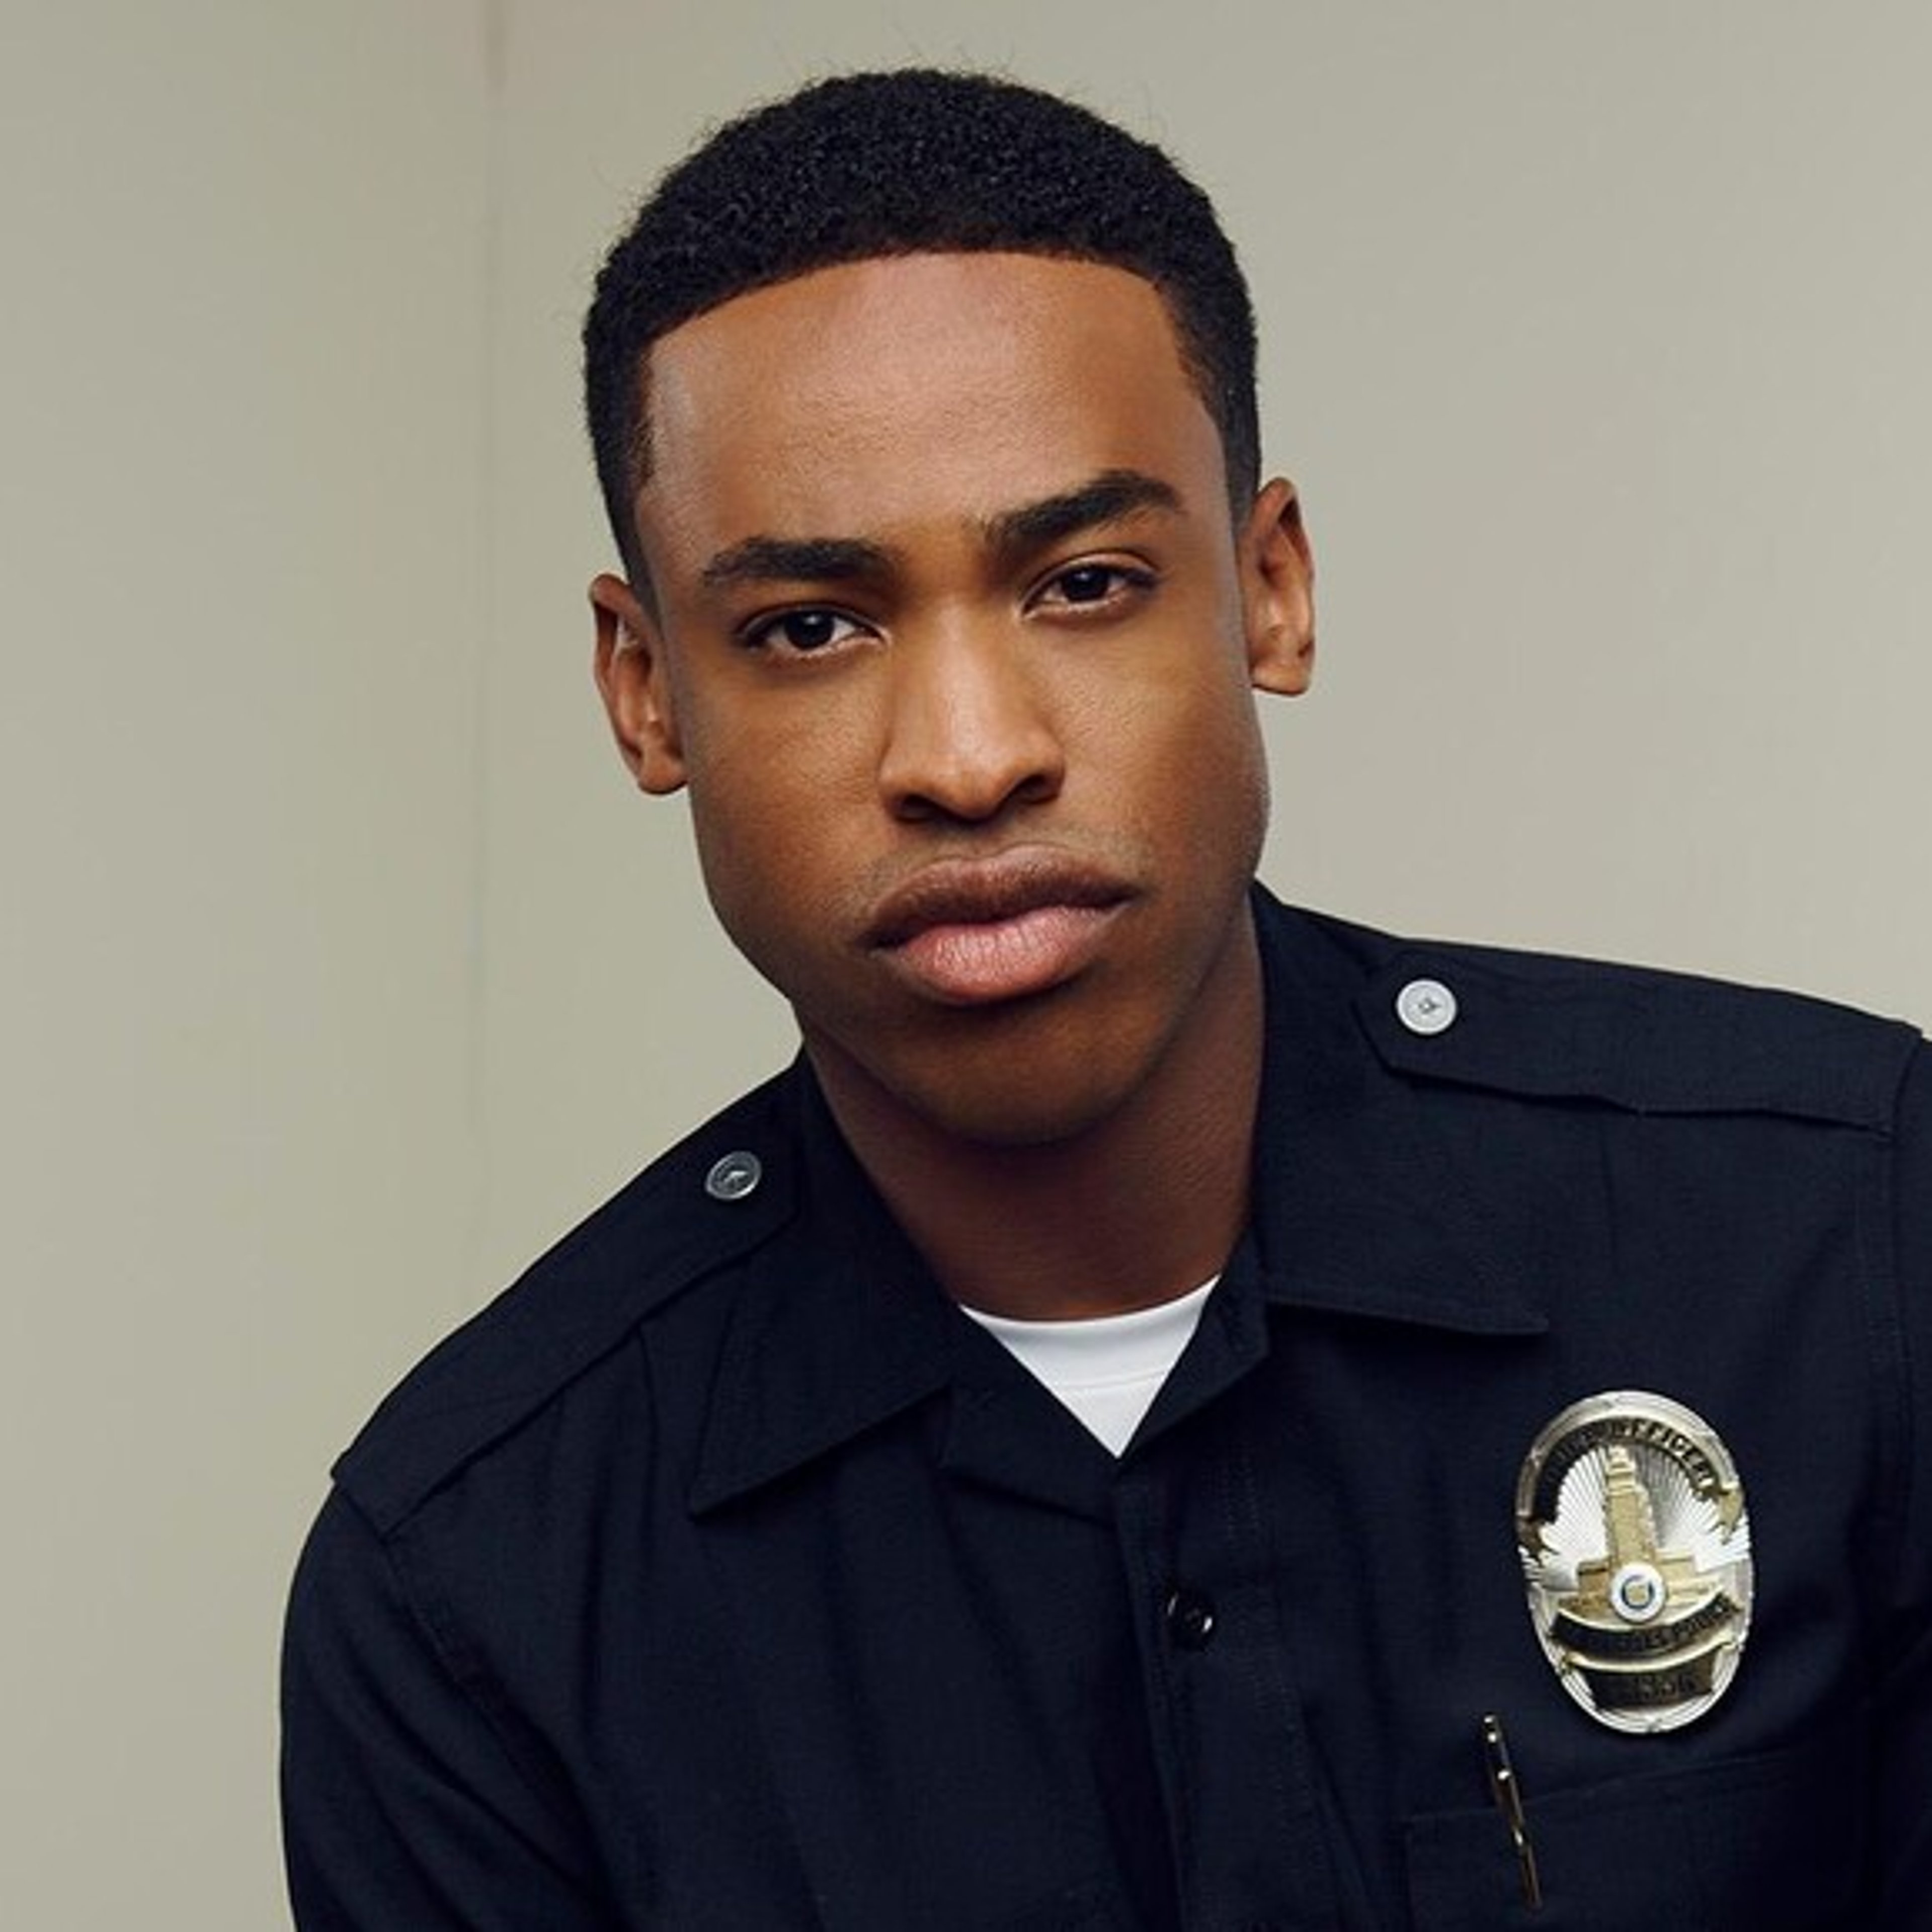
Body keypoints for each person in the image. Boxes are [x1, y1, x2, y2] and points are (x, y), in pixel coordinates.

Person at [280, 68, 1932, 1929]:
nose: (971, 759)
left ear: (1269, 592)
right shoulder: (477, 1588)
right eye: (811, 626)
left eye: (1082, 582)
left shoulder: (1839, 1240)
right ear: (647, 692)